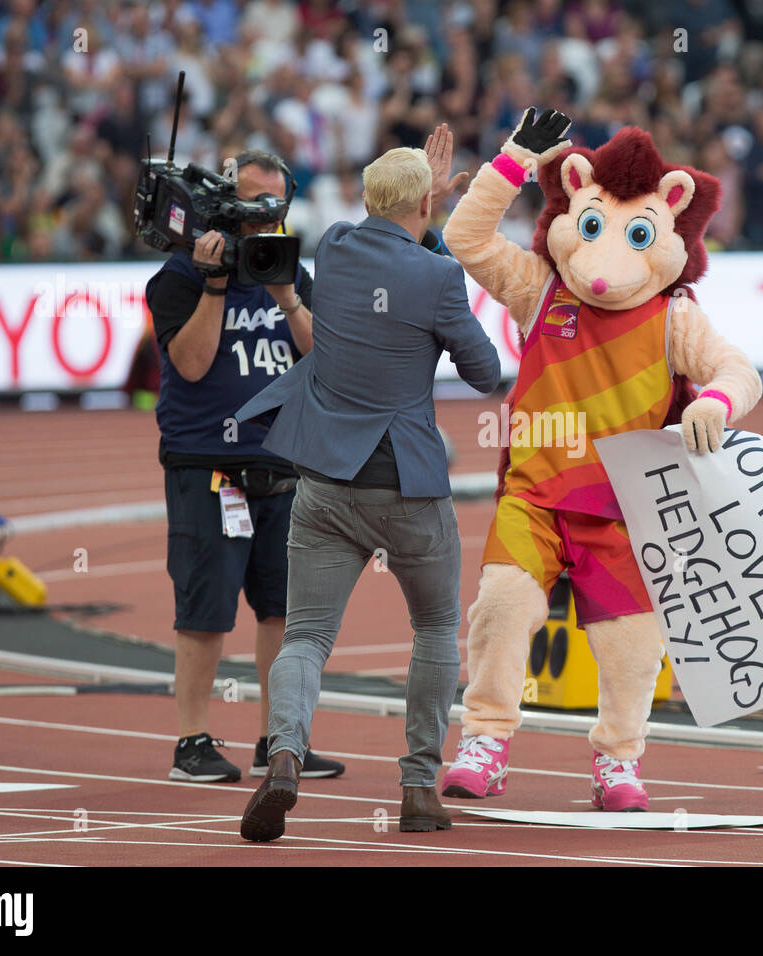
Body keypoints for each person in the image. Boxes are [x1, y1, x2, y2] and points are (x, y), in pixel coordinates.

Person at [237, 133, 499, 841]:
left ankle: (284, 754)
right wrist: (438, 240)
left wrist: (421, 206)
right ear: (424, 202)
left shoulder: (339, 248)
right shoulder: (436, 277)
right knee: (436, 628)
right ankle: (419, 788)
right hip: (408, 483)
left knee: (307, 637)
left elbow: (385, 231)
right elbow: (486, 372)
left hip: (325, 480)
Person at [146, 148, 343, 783]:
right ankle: (191, 742)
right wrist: (214, 285)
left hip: (283, 466)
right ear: (224, 204)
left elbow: (325, 362)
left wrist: (288, 298)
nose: (263, 222)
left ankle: (277, 739)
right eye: (253, 207)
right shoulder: (177, 277)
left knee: (284, 613)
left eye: (275, 209)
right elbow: (194, 364)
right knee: (204, 610)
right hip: (209, 467)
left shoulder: (286, 271)